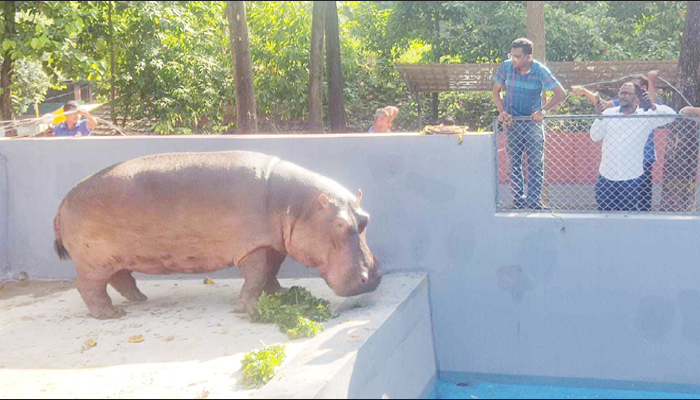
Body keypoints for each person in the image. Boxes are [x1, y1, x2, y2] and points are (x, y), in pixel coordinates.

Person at [572, 71, 664, 211]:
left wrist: (651, 81)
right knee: (615, 200)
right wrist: (585, 92)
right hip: (622, 160)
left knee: (642, 198)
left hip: (644, 156)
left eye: (636, 88)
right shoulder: (622, 106)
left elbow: (656, 109)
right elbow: (605, 105)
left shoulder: (649, 104)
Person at [493, 38, 567, 210]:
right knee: (514, 164)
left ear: (528, 57)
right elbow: (496, 90)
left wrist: (543, 111)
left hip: (532, 123)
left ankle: (534, 201)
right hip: (512, 122)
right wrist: (501, 111)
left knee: (535, 163)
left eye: (518, 56)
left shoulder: (540, 71)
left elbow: (560, 93)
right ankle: (518, 200)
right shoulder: (506, 67)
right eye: (512, 56)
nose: (514, 60)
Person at [589, 82, 676, 211]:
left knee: (627, 217)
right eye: (621, 93)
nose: (623, 96)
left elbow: (672, 116)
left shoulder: (645, 116)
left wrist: (653, 106)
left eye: (627, 93)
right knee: (604, 215)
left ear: (636, 97)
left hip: (631, 177)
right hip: (607, 175)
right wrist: (598, 118)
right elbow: (595, 136)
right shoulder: (608, 113)